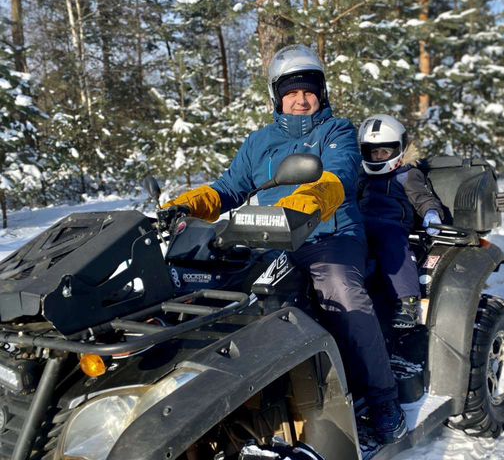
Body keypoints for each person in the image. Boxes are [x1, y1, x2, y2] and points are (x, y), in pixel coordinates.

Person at [162, 45, 406, 444]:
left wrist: (306, 203)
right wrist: (187, 205)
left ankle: (384, 400)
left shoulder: (337, 130)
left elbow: (340, 174)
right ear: (277, 97)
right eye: (291, 92)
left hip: (331, 236)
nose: (301, 99)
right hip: (270, 237)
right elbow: (229, 187)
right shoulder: (260, 142)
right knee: (219, 295)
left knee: (344, 296)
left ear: (321, 93)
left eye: (308, 90)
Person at [358, 114, 444, 328]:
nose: (379, 157)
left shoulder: (407, 174)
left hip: (392, 225)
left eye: (385, 151)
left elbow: (423, 198)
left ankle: (408, 302)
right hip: (361, 223)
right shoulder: (361, 175)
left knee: (393, 244)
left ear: (399, 149)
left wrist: (431, 214)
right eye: (374, 152)